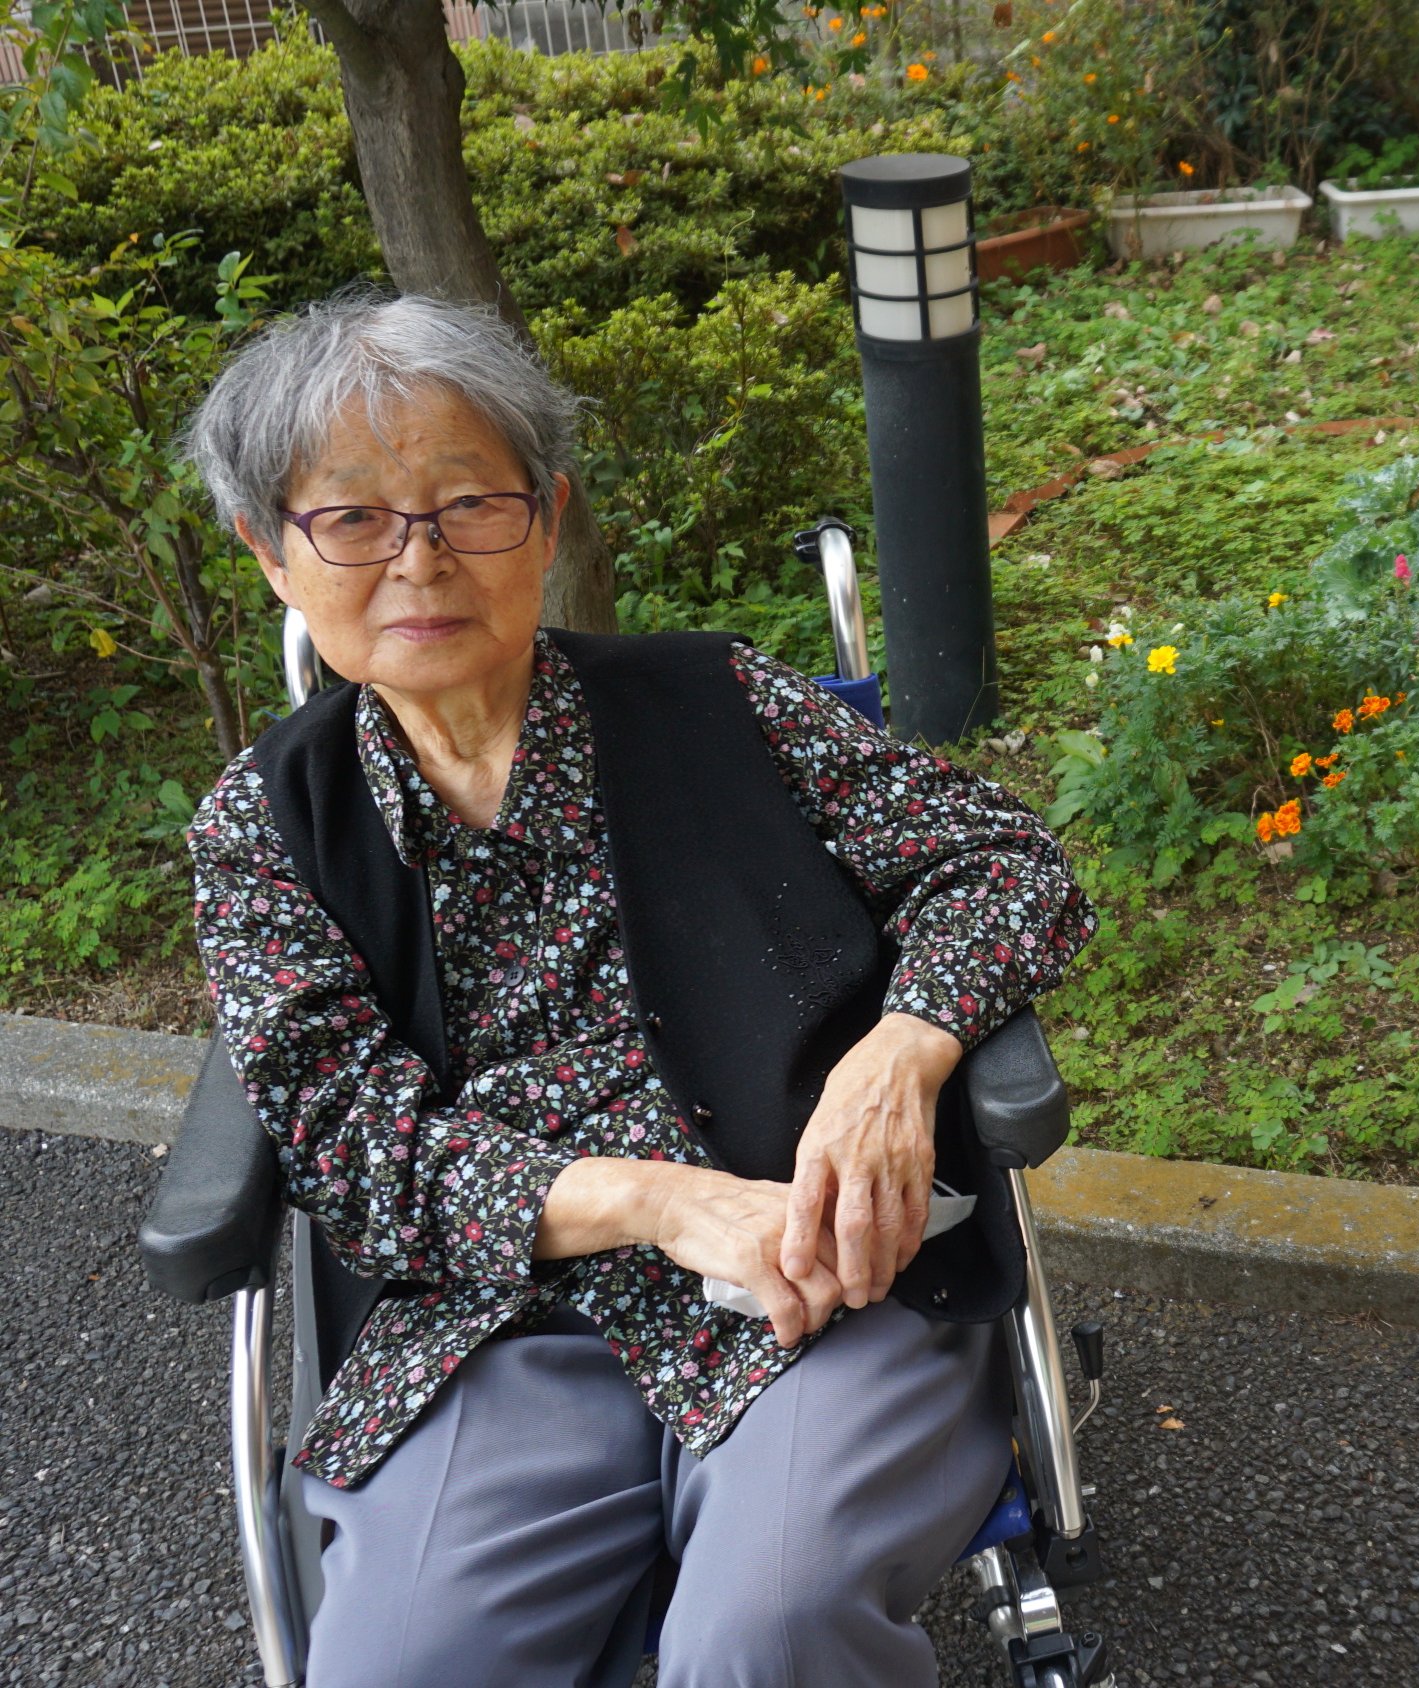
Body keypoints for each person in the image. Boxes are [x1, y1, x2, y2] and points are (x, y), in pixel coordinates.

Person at [176, 285, 1100, 1687]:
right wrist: (661, 1204)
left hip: (823, 1284)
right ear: (269, 553)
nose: (418, 561)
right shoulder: (266, 827)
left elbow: (1007, 863)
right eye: (352, 518)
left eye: (467, 505)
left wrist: (898, 1054)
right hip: (494, 1330)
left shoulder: (716, 706)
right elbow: (358, 1155)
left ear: (545, 519)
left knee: (766, 1632)